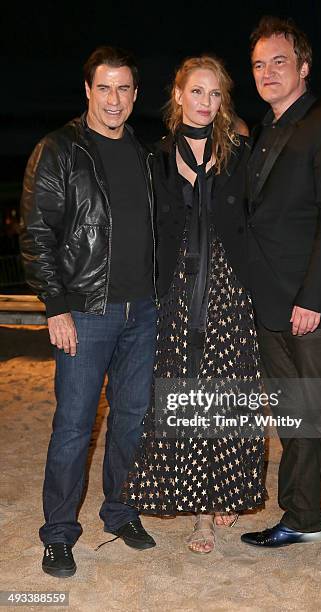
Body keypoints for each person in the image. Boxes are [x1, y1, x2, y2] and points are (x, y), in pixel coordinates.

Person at [19, 46, 157, 578]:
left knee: (130, 420)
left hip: (141, 313)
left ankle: (120, 511)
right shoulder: (58, 149)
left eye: (124, 88)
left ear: (135, 94)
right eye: (105, 88)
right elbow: (35, 235)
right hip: (85, 314)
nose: (115, 99)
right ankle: (58, 534)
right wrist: (56, 306)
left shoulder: (144, 155)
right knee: (74, 427)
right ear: (87, 91)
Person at [240, 16, 321, 579]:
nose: (268, 72)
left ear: (304, 68)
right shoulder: (266, 129)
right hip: (274, 308)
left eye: (279, 62)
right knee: (293, 421)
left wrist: (313, 297)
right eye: (260, 64)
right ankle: (299, 515)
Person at [122, 55, 266, 554]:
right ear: (178, 95)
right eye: (196, 92)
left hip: (229, 292)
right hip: (177, 295)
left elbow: (263, 220)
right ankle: (200, 516)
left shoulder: (242, 153)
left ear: (223, 101)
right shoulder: (155, 158)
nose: (205, 102)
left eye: (215, 94)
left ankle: (221, 495)